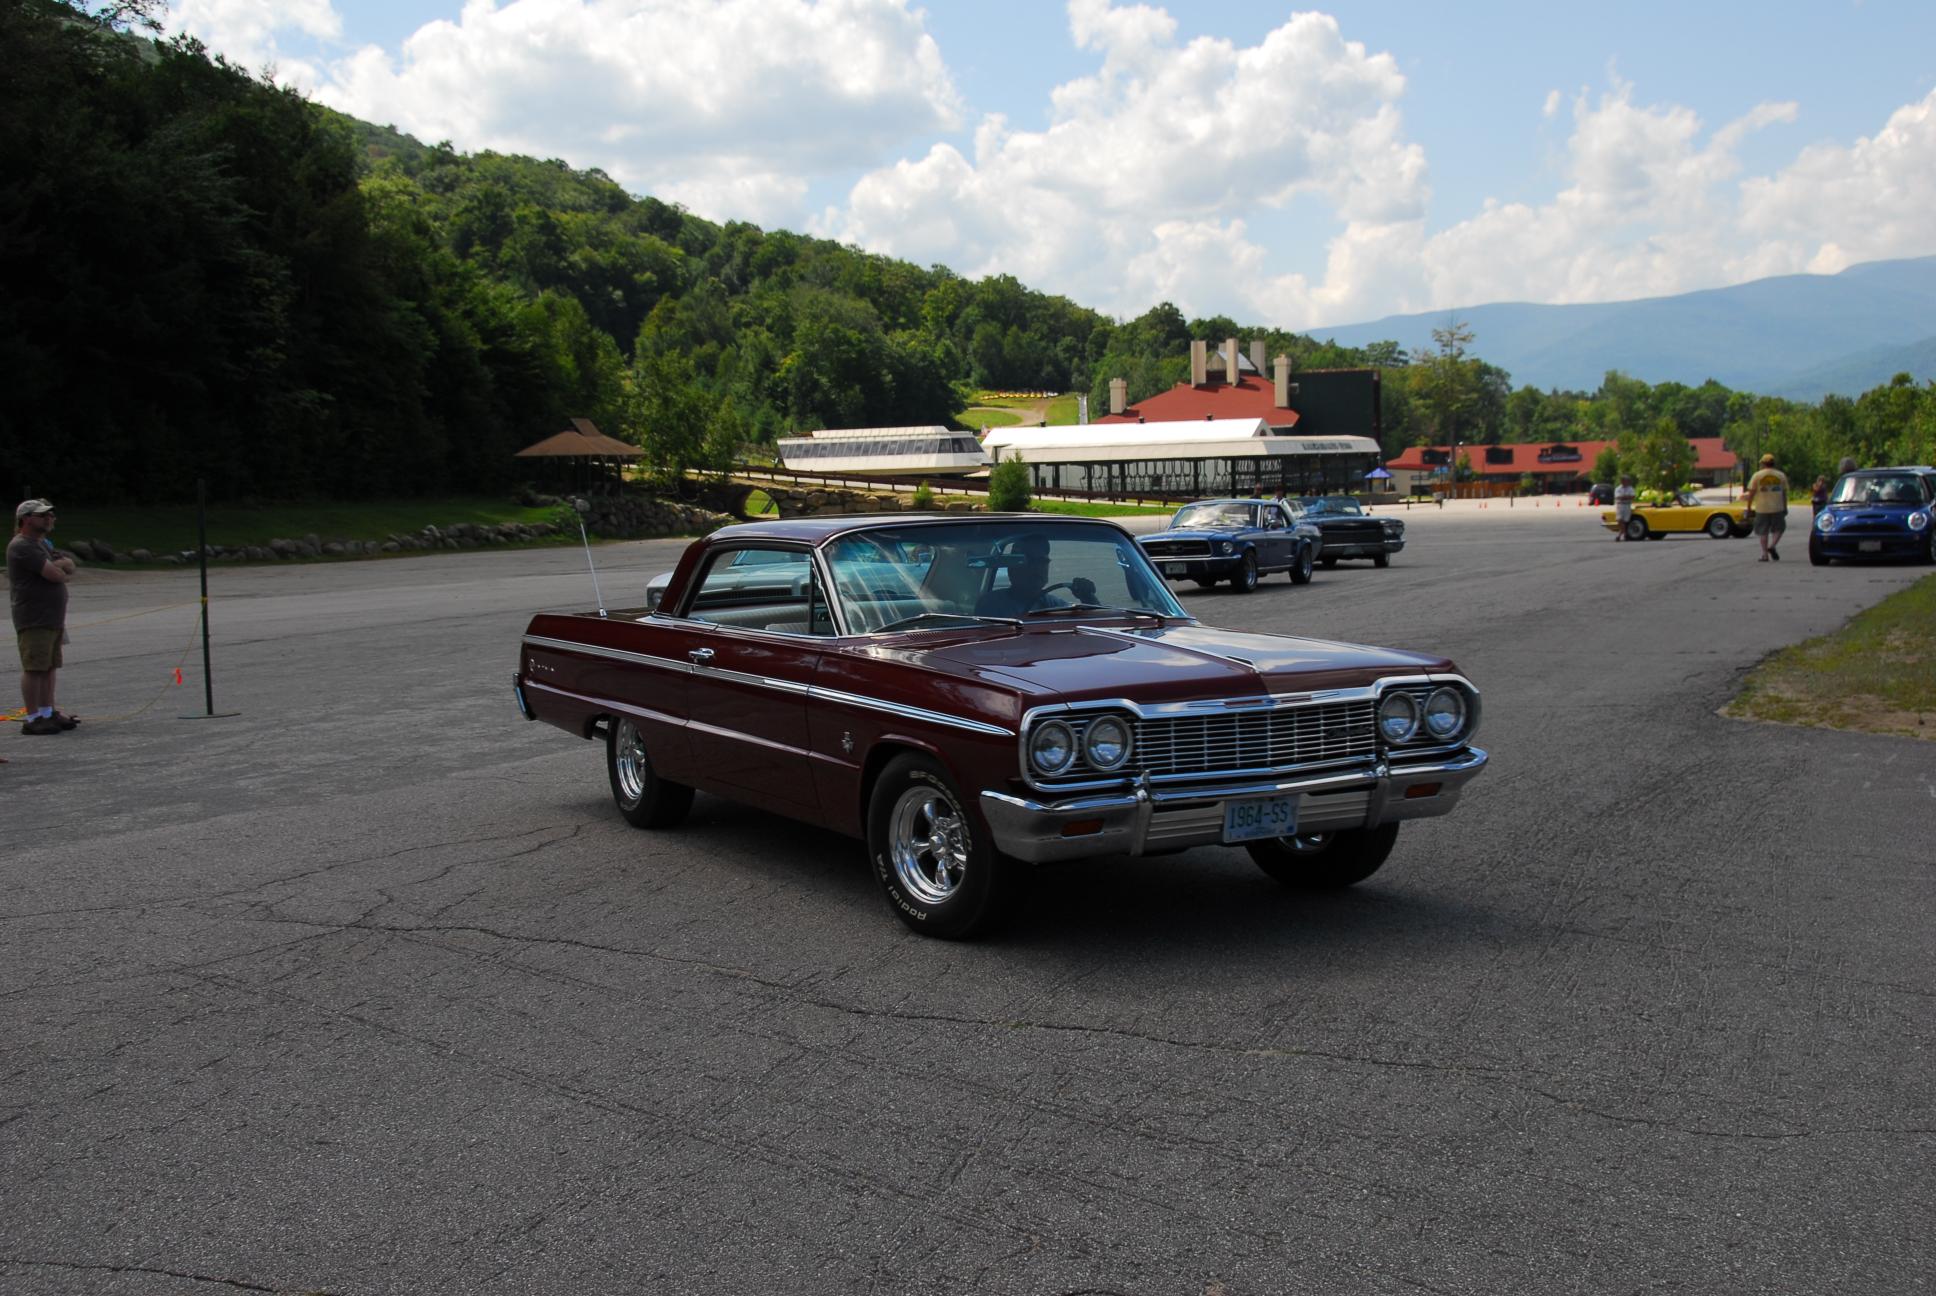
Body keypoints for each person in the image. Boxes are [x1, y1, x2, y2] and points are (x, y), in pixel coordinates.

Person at [10, 499, 78, 735]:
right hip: (34, 617)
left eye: (51, 515)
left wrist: (62, 566)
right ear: (26, 519)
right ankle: (33, 718)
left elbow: (70, 565)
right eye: (43, 515)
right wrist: (61, 569)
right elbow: (55, 575)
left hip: (52, 617)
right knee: (34, 668)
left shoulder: (42, 545)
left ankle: (48, 712)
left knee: (49, 666)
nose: (49, 519)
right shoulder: (22, 546)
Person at [975, 533, 1083, 617]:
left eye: (1042, 562)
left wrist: (1087, 597)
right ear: (1012, 569)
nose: (1037, 568)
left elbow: (1081, 623)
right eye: (1030, 561)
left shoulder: (1054, 605)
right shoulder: (992, 604)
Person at [1744, 453, 1790, 562]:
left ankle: (1764, 554)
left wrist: (1749, 507)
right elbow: (1784, 494)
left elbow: (1751, 493)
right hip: (1777, 507)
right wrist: (1785, 506)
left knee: (1763, 532)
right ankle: (1772, 545)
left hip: (1762, 508)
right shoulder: (1781, 475)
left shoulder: (1757, 475)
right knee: (1779, 529)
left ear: (1763, 464)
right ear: (1773, 463)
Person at [1612, 475, 1636, 541]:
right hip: (1620, 505)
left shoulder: (1630, 488)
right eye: (1624, 480)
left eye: (1627, 481)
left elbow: (1633, 496)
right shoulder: (1618, 488)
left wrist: (1624, 497)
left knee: (1626, 521)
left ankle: (1621, 535)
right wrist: (1627, 497)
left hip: (1627, 505)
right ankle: (1623, 534)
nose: (1626, 482)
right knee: (1619, 519)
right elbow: (1618, 497)